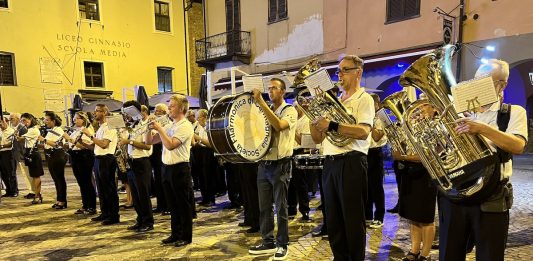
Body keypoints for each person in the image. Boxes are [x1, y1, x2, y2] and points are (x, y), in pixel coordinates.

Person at [440, 59, 528, 260]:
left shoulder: (513, 112)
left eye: (484, 80)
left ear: (501, 85)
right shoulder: (460, 112)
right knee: (448, 254)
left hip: (492, 197)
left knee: (489, 256)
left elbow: (518, 145)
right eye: (475, 79)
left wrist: (481, 128)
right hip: (457, 194)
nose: (477, 85)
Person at [310, 55, 375, 260]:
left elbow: (364, 132)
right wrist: (314, 120)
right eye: (338, 71)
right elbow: (317, 139)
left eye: (345, 70)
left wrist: (332, 125)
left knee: (353, 221)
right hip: (330, 162)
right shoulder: (335, 100)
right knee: (334, 220)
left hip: (352, 162)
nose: (340, 75)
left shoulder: (364, 99)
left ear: (358, 72)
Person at [248, 78, 297, 261]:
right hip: (264, 163)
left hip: (281, 164)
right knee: (264, 207)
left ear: (283, 91)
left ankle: (283, 243)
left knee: (281, 207)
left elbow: (279, 125)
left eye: (274, 88)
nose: (270, 91)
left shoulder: (289, 110)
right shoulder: (266, 109)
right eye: (268, 88)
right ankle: (267, 241)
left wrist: (260, 102)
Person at [147, 94, 194, 248]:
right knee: (172, 204)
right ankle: (175, 233)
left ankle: (186, 236)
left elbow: (171, 145)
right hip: (166, 168)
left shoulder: (185, 125)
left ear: (181, 108)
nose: (169, 109)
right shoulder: (170, 125)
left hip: (179, 168)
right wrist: (149, 129)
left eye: (172, 106)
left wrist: (159, 128)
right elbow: (149, 142)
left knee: (182, 204)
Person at [393, 103, 437, 261]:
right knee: (413, 215)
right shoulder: (414, 126)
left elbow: (430, 156)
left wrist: (404, 157)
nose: (420, 109)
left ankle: (425, 254)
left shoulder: (436, 127)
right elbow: (403, 150)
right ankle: (414, 250)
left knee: (426, 218)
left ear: (434, 109)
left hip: (426, 175)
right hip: (411, 173)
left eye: (425, 105)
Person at [120, 100, 154, 233]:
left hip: (142, 162)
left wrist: (129, 141)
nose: (126, 115)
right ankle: (140, 219)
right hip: (132, 162)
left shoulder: (147, 125)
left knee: (143, 194)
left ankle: (148, 222)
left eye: (127, 112)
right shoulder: (134, 125)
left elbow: (147, 145)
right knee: (135, 193)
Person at [84, 104, 120, 225]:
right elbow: (96, 146)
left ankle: (113, 215)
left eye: (97, 111)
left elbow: (104, 144)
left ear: (104, 113)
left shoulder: (110, 127)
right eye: (95, 111)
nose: (95, 114)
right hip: (99, 158)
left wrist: (90, 136)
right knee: (101, 188)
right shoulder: (100, 128)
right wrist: (82, 143)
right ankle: (105, 212)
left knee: (109, 188)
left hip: (107, 159)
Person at [63, 111, 97, 215]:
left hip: (84, 156)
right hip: (75, 156)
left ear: (83, 119)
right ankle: (85, 204)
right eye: (74, 118)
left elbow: (85, 146)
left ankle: (91, 206)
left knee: (87, 182)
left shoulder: (87, 130)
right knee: (81, 182)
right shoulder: (76, 130)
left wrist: (69, 139)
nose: (74, 120)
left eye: (77, 118)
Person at [365, 94, 387, 229]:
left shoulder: (380, 119)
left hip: (375, 153)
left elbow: (377, 137)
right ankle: (367, 215)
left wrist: (370, 122)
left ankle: (379, 216)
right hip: (364, 152)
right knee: (366, 186)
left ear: (377, 105)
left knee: (376, 187)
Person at [38, 111, 68, 209]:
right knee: (56, 179)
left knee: (59, 179)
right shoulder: (51, 130)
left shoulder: (58, 130)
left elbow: (57, 144)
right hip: (51, 155)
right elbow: (48, 143)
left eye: (47, 120)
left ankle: (62, 201)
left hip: (57, 155)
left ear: (53, 121)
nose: (45, 122)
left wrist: (44, 140)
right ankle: (59, 199)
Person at [288, 101, 311, 221]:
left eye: (296, 108)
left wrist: (293, 130)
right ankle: (291, 208)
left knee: (301, 183)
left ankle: (305, 210)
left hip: (300, 151)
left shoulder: (306, 120)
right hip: (289, 151)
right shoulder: (292, 119)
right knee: (289, 182)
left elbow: (303, 141)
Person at [16, 113, 44, 204]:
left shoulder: (34, 130)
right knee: (33, 175)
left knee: (36, 176)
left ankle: (37, 195)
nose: (24, 122)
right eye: (22, 121)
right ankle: (36, 194)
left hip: (34, 153)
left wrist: (16, 133)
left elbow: (20, 139)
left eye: (25, 120)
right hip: (29, 152)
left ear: (30, 119)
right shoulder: (30, 129)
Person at [150, 103, 170, 215]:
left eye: (157, 111)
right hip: (155, 152)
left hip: (161, 150)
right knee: (157, 180)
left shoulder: (165, 122)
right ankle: (160, 204)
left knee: (163, 181)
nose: (155, 113)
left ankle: (167, 205)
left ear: (163, 112)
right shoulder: (156, 121)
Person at [0, 117, 16, 197]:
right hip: (1, 154)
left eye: (1, 122)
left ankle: (14, 190)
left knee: (11, 173)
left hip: (8, 153)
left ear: (6, 122)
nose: (0, 124)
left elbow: (12, 143)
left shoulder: (11, 131)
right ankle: (8, 190)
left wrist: (2, 146)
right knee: (3, 173)